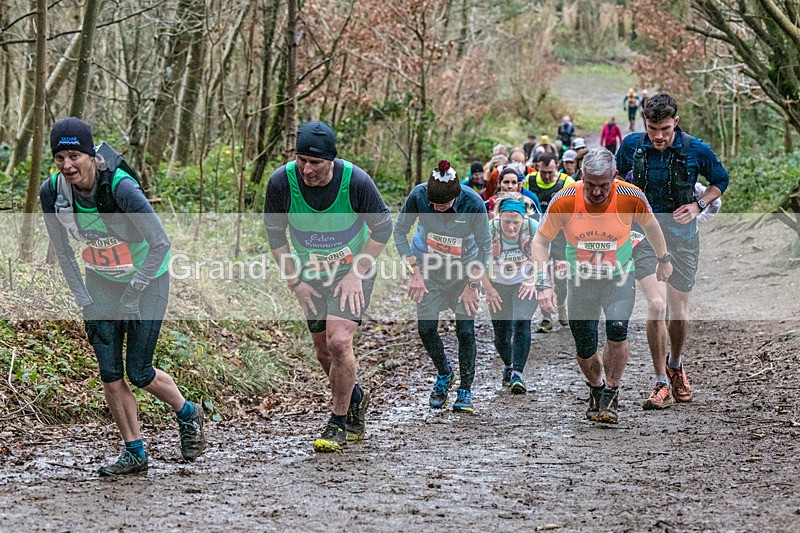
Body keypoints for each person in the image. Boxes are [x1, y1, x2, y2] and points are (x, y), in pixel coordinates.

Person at [40, 117, 206, 475]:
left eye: (74, 156)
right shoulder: (52, 192)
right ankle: (134, 451)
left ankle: (189, 413)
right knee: (110, 373)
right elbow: (63, 252)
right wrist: (81, 297)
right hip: (100, 280)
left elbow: (162, 244)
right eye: (59, 158)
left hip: (147, 279)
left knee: (139, 371)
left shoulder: (121, 188)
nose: (67, 165)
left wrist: (134, 291)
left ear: (90, 155)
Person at [264, 120, 393, 452]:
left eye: (316, 163)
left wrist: (356, 274)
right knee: (323, 350)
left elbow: (382, 229)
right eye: (301, 160)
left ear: (331, 161)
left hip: (353, 269)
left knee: (339, 341)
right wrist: (295, 283)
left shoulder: (356, 182)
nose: (307, 169)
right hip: (311, 274)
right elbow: (276, 238)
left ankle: (338, 421)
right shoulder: (281, 182)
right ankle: (356, 397)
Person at [531, 148, 673, 424]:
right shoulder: (565, 200)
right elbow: (540, 242)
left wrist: (663, 259)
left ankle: (611, 392)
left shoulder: (630, 196)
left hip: (618, 276)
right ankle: (596, 388)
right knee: (585, 345)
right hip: (581, 280)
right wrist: (542, 282)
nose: (596, 192)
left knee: (617, 330)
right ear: (582, 176)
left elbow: (652, 227)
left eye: (604, 186)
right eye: (591, 185)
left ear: (614, 176)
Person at [616, 93, 728, 410]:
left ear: (675, 123)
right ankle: (660, 382)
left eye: (665, 128)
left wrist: (699, 204)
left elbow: (721, 179)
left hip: (682, 238)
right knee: (656, 303)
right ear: (645, 124)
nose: (659, 136)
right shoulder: (631, 146)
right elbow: (615, 180)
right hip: (644, 238)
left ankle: (675, 365)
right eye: (653, 128)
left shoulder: (696, 149)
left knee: (678, 310)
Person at [394, 160, 497, 413]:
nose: (437, 208)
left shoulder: (472, 203)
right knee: (426, 329)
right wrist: (413, 271)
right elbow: (399, 232)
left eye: (443, 204)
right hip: (429, 272)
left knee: (465, 332)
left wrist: (473, 285)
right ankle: (444, 373)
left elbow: (485, 247)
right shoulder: (418, 195)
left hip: (465, 273)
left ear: (457, 195)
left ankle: (465, 390)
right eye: (433, 204)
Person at [488, 193, 540, 394]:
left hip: (525, 282)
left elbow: (544, 255)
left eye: (515, 223)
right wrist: (489, 290)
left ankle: (517, 374)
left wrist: (532, 279)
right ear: (499, 217)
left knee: (521, 321)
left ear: (523, 219)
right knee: (501, 334)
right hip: (497, 283)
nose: (511, 227)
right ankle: (509, 365)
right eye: (506, 222)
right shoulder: (490, 229)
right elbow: (478, 263)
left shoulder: (533, 228)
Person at [524, 152, 574, 331]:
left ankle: (561, 306)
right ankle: (546, 318)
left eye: (550, 173)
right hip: (539, 237)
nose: (546, 176)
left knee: (561, 277)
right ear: (537, 166)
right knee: (541, 274)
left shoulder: (567, 182)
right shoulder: (529, 181)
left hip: (560, 237)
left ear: (557, 167)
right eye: (543, 172)